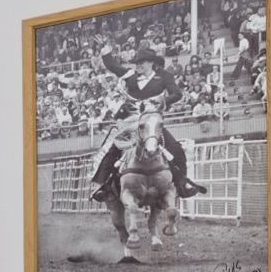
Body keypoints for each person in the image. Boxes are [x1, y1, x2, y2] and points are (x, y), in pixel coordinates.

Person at [88, 45, 209, 202]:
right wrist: (105, 50)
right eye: (136, 63)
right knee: (112, 150)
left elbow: (177, 94)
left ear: (151, 62)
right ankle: (101, 185)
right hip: (131, 122)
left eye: (141, 62)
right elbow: (112, 65)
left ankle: (183, 183)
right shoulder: (130, 75)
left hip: (152, 123)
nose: (137, 65)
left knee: (176, 149)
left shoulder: (164, 76)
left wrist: (161, 100)